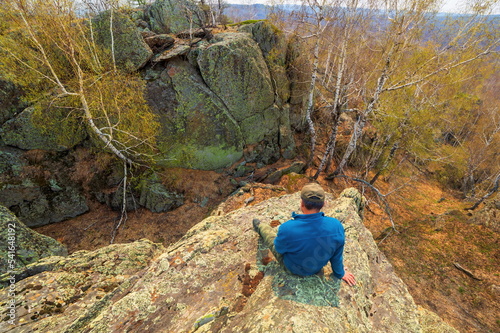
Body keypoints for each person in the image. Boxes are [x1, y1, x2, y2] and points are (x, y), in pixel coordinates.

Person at [253, 183, 356, 286]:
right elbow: (336, 255)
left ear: (302, 204)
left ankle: (260, 226)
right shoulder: (336, 226)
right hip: (316, 268)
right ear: (323, 204)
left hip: (292, 269)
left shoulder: (287, 228)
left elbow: (279, 249)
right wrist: (340, 272)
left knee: (271, 237)